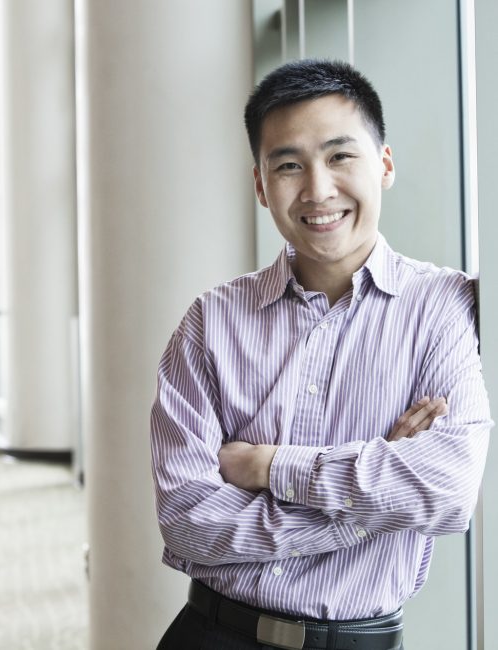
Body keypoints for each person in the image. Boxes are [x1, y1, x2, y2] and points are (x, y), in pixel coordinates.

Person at [150, 59, 492, 650]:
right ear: (261, 185)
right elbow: (188, 524)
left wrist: (270, 467)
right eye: (288, 165)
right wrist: (375, 498)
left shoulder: (446, 309)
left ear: (383, 164)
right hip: (209, 635)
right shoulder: (211, 323)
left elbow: (446, 490)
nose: (317, 190)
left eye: (340, 156)